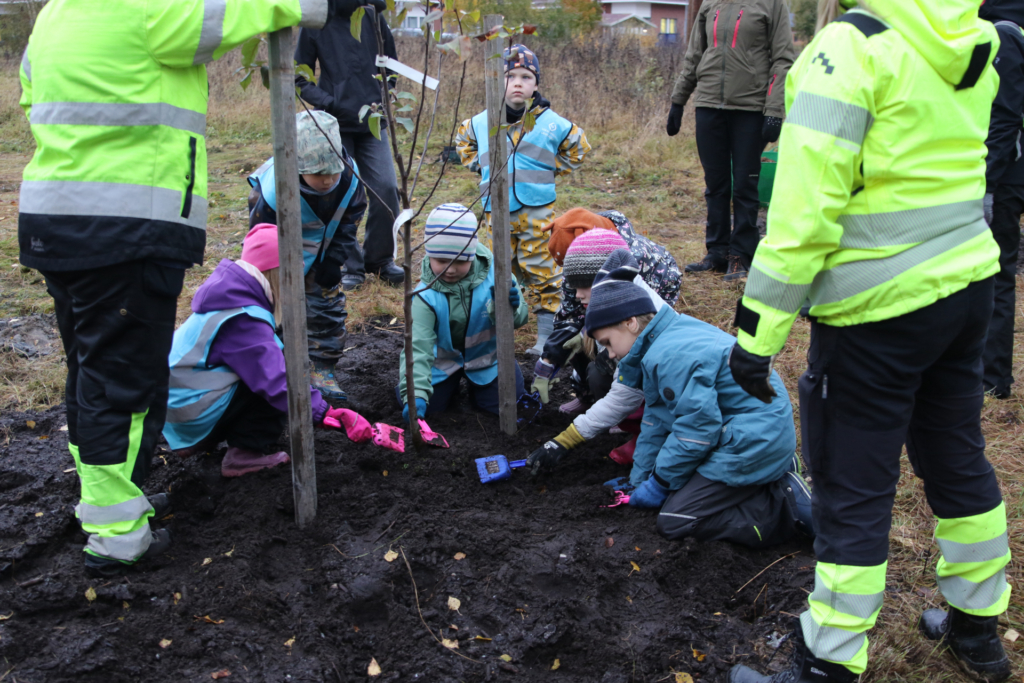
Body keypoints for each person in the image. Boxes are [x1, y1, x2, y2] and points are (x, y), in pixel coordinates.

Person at [726, 2, 1011, 681]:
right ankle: (978, 630)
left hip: (876, 311)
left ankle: (827, 661)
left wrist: (755, 337)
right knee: (957, 455)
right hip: (965, 286)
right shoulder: (973, 37)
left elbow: (802, 218)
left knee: (852, 487)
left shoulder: (850, 49)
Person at [17, 0, 326, 577]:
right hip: (124, 228)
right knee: (123, 387)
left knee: (89, 375)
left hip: (54, 217)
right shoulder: (142, 7)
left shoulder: (55, 14)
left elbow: (33, 101)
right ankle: (117, 536)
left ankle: (114, 501)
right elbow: (231, 13)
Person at [563, 250, 811, 549]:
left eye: (608, 343)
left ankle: (783, 501)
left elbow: (696, 431)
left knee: (675, 521)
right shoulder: (663, 339)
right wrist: (640, 479)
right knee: (674, 488)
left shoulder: (669, 355)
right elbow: (657, 421)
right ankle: (768, 473)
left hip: (753, 441)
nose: (611, 354)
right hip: (745, 431)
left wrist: (660, 483)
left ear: (630, 323)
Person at [163, 224, 371, 477]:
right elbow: (277, 381)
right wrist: (323, 412)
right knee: (277, 379)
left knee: (270, 367)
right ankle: (242, 456)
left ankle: (229, 436)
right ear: (279, 275)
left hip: (180, 407)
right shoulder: (243, 318)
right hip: (192, 415)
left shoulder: (230, 296)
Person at [455, 44, 591, 356]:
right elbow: (463, 142)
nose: (518, 83)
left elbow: (579, 147)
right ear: (497, 81)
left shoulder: (552, 123)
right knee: (498, 269)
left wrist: (550, 170)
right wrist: (482, 166)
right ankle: (498, 332)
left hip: (537, 214)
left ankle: (545, 338)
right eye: (510, 76)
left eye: (526, 77)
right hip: (496, 211)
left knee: (544, 269)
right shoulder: (480, 122)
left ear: (536, 83)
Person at [667, 0, 796, 282]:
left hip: (750, 109)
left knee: (745, 186)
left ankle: (741, 255)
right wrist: (678, 100)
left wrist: (774, 110)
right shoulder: (711, 3)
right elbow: (695, 54)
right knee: (716, 184)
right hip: (709, 104)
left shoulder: (771, 4)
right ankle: (717, 252)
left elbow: (783, 59)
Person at [248, 110, 365, 401]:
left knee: (326, 306)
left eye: (333, 172)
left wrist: (335, 258)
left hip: (324, 253)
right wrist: (271, 271)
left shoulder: (349, 180)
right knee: (275, 307)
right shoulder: (271, 192)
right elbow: (260, 237)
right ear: (297, 167)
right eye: (318, 175)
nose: (328, 181)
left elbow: (350, 220)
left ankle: (321, 367)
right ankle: (279, 361)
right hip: (278, 257)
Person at [295, 0, 405, 287]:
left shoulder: (373, 16)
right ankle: (349, 265)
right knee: (341, 191)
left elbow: (391, 66)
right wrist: (329, 103)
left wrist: (384, 96)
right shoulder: (316, 20)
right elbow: (299, 77)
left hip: (373, 123)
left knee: (386, 188)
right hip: (334, 124)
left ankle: (380, 260)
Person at [534, 208, 681, 417]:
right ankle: (587, 397)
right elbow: (569, 314)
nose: (573, 290)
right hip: (600, 295)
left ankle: (632, 412)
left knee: (614, 359)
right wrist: (548, 360)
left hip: (643, 310)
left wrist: (608, 361)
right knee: (578, 341)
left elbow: (640, 328)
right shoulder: (579, 267)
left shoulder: (636, 261)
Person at [398, 203, 529, 421]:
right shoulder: (424, 295)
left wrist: (510, 309)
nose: (450, 269)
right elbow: (418, 347)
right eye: (441, 261)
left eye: (460, 261)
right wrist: (416, 394)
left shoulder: (498, 276)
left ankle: (478, 391)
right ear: (429, 255)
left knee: (508, 402)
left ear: (472, 255)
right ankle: (448, 388)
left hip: (488, 361)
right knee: (428, 407)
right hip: (442, 364)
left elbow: (520, 320)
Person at [979, 0, 1024, 400]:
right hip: (1011, 171)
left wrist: (987, 184)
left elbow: (1005, 116)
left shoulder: (1004, 33)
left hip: (1007, 174)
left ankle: (993, 377)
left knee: (996, 273)